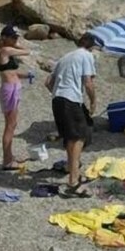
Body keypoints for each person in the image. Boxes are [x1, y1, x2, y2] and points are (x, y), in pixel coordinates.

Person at [45, 33, 97, 198]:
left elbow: (48, 82)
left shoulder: (65, 57)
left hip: (57, 100)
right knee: (80, 136)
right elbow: (88, 82)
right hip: (70, 99)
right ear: (91, 47)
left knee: (70, 137)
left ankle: (72, 170)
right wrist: (93, 101)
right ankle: (73, 181)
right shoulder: (86, 55)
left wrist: (58, 94)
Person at [0, 24, 32, 170]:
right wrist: (17, 44)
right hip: (9, 91)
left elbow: (12, 73)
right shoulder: (5, 50)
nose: (15, 40)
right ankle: (7, 161)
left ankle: (9, 156)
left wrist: (26, 75)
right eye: (13, 37)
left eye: (16, 37)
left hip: (13, 89)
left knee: (13, 124)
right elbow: (27, 51)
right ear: (5, 38)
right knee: (10, 126)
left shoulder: (7, 53)